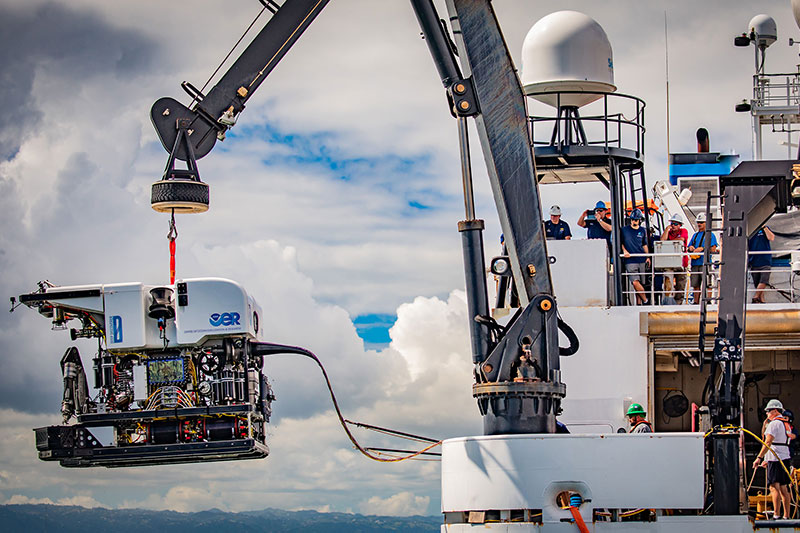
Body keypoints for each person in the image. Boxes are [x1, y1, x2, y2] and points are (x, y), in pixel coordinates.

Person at [753, 399, 794, 520]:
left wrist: (759, 458)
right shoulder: (785, 423)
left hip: (775, 458)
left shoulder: (774, 424)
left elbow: (768, 442)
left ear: (775, 411)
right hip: (784, 457)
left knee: (773, 487)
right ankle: (786, 516)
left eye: (768, 411)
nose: (766, 414)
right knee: (784, 488)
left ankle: (776, 514)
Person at [621, 209, 650, 305]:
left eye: (636, 220)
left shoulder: (642, 230)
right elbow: (620, 243)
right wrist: (625, 251)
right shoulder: (624, 230)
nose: (634, 221)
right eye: (633, 219)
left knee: (640, 283)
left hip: (641, 258)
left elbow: (644, 244)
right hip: (630, 260)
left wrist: (648, 256)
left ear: (639, 220)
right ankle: (645, 300)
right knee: (635, 281)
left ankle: (639, 303)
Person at [687, 213, 718, 304]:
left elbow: (713, 248)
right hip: (695, 263)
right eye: (698, 222)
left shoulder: (711, 235)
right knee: (695, 285)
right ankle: (696, 302)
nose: (699, 224)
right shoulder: (695, 235)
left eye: (701, 222)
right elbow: (689, 246)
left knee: (707, 283)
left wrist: (703, 249)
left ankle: (707, 301)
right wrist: (691, 248)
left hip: (705, 263)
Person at [660, 213, 688, 304]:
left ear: (680, 225)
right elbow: (662, 241)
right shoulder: (668, 233)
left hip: (681, 262)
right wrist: (666, 230)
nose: (673, 225)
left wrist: (669, 242)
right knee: (668, 284)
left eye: (676, 224)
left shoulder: (683, 231)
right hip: (669, 263)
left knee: (680, 284)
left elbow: (681, 240)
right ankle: (668, 302)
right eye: (672, 223)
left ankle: (678, 303)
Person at [749, 226, 775, 303]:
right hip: (753, 260)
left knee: (764, 280)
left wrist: (764, 227)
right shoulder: (749, 229)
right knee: (757, 283)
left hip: (765, 260)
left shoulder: (764, 229)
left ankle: (755, 297)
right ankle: (761, 300)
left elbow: (771, 238)